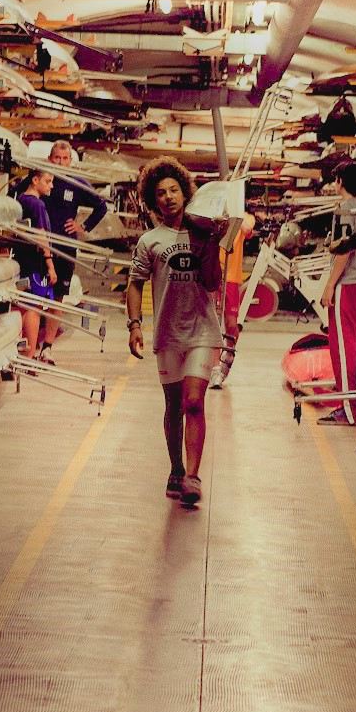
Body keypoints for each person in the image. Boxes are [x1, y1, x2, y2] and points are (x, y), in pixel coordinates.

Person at [126, 157, 226, 507]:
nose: (168, 197)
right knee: (173, 407)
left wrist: (213, 243)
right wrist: (135, 324)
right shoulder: (149, 241)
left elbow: (213, 282)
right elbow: (135, 284)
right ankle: (175, 468)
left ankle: (193, 476)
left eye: (173, 190)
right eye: (160, 194)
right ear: (154, 203)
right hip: (168, 333)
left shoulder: (204, 235)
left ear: (185, 193)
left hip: (202, 330)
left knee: (194, 401)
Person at [37, 140, 109, 358]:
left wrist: (83, 226)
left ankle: (47, 347)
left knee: (57, 297)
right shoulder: (41, 178)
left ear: (70, 161)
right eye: (56, 158)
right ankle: (29, 345)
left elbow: (101, 206)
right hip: (39, 244)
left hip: (65, 246)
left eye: (64, 158)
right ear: (50, 159)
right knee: (34, 295)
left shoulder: (77, 183)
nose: (60, 162)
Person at [318, 161, 356, 426]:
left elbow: (344, 251)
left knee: (342, 347)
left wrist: (329, 285)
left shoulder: (343, 210)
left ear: (340, 181)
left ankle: (348, 409)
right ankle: (355, 401)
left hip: (346, 285)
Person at [14, 169, 59, 359]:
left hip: (20, 260)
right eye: (48, 181)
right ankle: (30, 356)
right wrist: (50, 265)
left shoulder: (20, 200)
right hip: (34, 263)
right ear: (35, 180)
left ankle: (21, 353)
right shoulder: (37, 204)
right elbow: (41, 236)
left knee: (21, 307)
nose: (51, 186)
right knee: (34, 308)